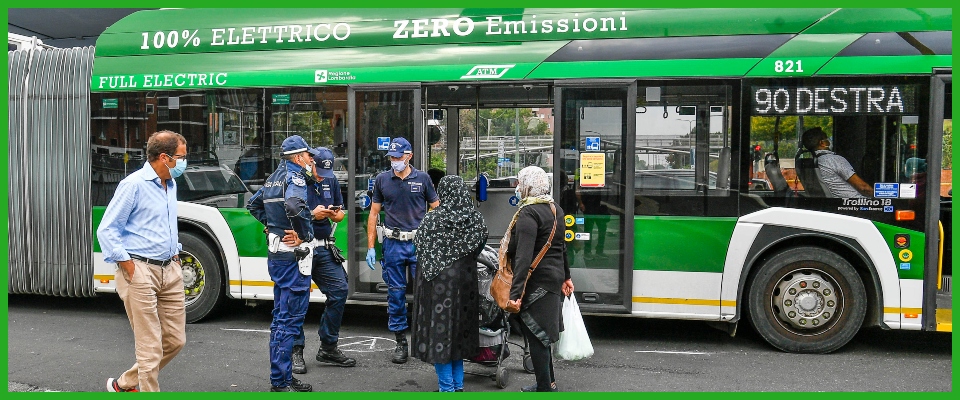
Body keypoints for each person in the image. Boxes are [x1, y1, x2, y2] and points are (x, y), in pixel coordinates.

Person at [97, 130, 188, 392]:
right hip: (140, 270)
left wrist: (176, 255)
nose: (184, 162)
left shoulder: (170, 183)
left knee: (175, 340)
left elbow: (164, 226)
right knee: (150, 347)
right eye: (181, 157)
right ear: (164, 157)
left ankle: (125, 384)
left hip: (169, 268)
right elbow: (107, 230)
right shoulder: (133, 185)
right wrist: (128, 266)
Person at [247, 135, 321, 392]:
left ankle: (285, 377)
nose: (312, 160)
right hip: (293, 257)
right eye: (309, 156)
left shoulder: (273, 177)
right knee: (288, 320)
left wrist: (271, 227)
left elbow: (253, 205)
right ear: (299, 157)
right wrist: (305, 233)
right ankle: (280, 381)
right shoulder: (295, 177)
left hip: (278, 255)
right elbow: (294, 203)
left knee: (282, 316)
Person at [365, 137, 440, 364]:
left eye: (398, 157)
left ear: (409, 156)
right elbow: (373, 214)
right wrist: (371, 247)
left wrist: (434, 240)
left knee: (424, 293)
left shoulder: (423, 179)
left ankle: (423, 338)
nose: (394, 161)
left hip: (419, 243)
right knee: (395, 294)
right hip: (393, 243)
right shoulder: (382, 180)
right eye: (392, 157)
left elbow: (436, 209)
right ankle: (400, 341)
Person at [411, 176, 488, 392]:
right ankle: (458, 386)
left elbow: (420, 246)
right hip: (466, 285)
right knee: (459, 336)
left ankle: (447, 388)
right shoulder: (476, 219)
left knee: (440, 335)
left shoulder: (433, 219)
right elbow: (480, 244)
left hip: (438, 287)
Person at [504, 166, 574, 392]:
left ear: (528, 185)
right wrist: (567, 277)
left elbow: (523, 257)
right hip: (552, 279)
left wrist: (515, 294)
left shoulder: (528, 214)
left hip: (537, 283)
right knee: (542, 335)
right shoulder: (555, 209)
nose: (517, 187)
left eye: (519, 183)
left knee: (537, 336)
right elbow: (561, 248)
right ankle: (547, 382)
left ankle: (545, 387)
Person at [291, 147, 356, 373]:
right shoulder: (296, 181)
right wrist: (312, 213)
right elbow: (287, 211)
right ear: (310, 162)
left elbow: (341, 213)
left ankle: (328, 347)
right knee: (297, 299)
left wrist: (333, 214)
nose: (321, 176)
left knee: (339, 291)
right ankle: (295, 351)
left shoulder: (330, 181)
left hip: (323, 245)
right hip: (300, 247)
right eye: (319, 170)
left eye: (326, 173)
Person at [801, 127, 872, 198]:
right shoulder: (834, 160)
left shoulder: (810, 162)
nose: (829, 140)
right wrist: (880, 197)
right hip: (853, 203)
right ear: (822, 143)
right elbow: (863, 187)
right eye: (827, 138)